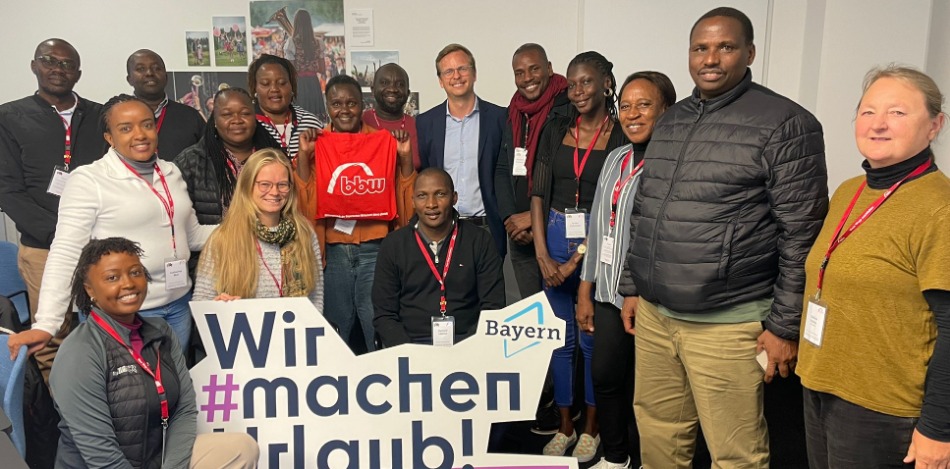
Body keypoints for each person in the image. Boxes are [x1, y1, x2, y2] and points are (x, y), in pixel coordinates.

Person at [618, 7, 828, 467]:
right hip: (656, 317)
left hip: (727, 325)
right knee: (658, 434)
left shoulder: (785, 123)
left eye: (725, 47)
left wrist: (784, 326)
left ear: (749, 52)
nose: (710, 58)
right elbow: (645, 209)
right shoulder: (671, 121)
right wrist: (633, 286)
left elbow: (802, 238)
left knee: (735, 455)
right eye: (700, 48)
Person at [796, 65, 950, 468]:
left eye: (897, 112)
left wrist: (938, 428)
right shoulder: (850, 191)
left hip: (885, 411)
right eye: (868, 111)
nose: (878, 124)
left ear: (935, 125)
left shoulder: (940, 208)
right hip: (822, 386)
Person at [9, 95, 216, 360]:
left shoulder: (171, 172)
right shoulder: (89, 180)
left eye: (147, 125)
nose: (140, 134)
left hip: (177, 305)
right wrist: (47, 323)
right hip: (123, 312)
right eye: (125, 128)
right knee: (129, 386)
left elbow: (193, 235)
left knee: (174, 379)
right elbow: (66, 252)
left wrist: (248, 228)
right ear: (110, 137)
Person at [49, 237, 259, 468]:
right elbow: (100, 452)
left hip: (156, 459)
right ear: (90, 289)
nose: (128, 283)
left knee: (240, 449)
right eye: (112, 278)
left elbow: (184, 409)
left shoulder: (161, 332)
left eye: (135, 272)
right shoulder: (79, 351)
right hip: (102, 466)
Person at [530, 51, 629, 460]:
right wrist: (541, 253)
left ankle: (592, 428)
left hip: (597, 239)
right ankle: (565, 426)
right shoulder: (556, 127)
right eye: (571, 84)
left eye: (586, 81)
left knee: (591, 339)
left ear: (606, 83)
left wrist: (576, 261)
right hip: (553, 234)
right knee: (559, 340)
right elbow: (538, 192)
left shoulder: (621, 136)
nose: (577, 91)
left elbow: (613, 208)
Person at [576, 72, 675, 469]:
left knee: (648, 390)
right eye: (626, 106)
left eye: (644, 105)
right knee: (605, 377)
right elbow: (599, 225)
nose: (632, 114)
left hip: (649, 298)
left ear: (665, 110)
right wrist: (585, 287)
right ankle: (617, 457)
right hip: (606, 291)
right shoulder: (615, 158)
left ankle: (648, 459)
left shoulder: (671, 164)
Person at [0, 38, 106, 380]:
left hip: (98, 245)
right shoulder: (8, 117)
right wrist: (62, 234)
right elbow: (7, 190)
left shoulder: (100, 115)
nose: (58, 69)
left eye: (67, 64)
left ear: (78, 73)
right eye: (49, 60)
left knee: (104, 330)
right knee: (51, 336)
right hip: (42, 248)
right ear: (34, 66)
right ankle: (60, 408)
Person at [295, 74, 415, 353]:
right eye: (336, 103)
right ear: (327, 106)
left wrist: (405, 157)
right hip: (334, 251)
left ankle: (384, 376)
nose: (344, 110)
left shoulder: (383, 142)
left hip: (376, 249)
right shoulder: (316, 143)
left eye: (351, 103)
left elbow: (405, 196)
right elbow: (303, 203)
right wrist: (303, 155)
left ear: (363, 105)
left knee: (378, 326)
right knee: (334, 331)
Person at [373, 168, 504, 346]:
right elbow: (384, 314)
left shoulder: (479, 240)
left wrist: (469, 348)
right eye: (422, 196)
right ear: (413, 201)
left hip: (467, 343)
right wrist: (409, 351)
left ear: (454, 198)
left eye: (440, 194)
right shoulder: (394, 244)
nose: (431, 204)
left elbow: (493, 307)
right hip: (412, 345)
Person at [194, 148, 323, 313]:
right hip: (243, 328)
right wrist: (219, 306)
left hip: (294, 327)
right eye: (265, 184)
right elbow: (202, 300)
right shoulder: (223, 238)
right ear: (248, 186)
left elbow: (315, 299)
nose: (275, 192)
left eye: (282, 184)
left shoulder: (304, 233)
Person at [174, 88, 283, 276]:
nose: (237, 120)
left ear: (255, 118)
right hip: (214, 270)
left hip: (270, 269)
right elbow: (180, 227)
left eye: (245, 113)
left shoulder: (276, 159)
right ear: (214, 120)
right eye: (227, 114)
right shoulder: (191, 162)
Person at [417, 44, 507, 258]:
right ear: (440, 80)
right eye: (448, 71)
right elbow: (425, 175)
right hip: (443, 229)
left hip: (488, 229)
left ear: (474, 74)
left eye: (462, 68)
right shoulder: (425, 123)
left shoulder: (500, 118)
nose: (456, 76)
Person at [495, 43, 571, 301]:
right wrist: (511, 219)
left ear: (549, 68)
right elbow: (503, 168)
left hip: (555, 233)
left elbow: (571, 176)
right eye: (519, 72)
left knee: (561, 312)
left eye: (534, 69)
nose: (527, 78)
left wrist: (533, 218)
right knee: (534, 312)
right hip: (520, 236)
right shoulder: (514, 110)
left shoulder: (568, 107)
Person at [126, 49, 205, 160]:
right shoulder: (116, 117)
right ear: (129, 79)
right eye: (141, 69)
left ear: (166, 77)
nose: (149, 73)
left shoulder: (190, 116)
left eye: (156, 68)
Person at [247, 54, 323, 161]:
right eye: (265, 84)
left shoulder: (311, 123)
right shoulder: (247, 124)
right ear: (255, 88)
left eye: (282, 83)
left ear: (292, 86)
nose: (274, 89)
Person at [362, 63, 421, 170]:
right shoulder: (360, 122)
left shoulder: (419, 125)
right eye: (385, 83)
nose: (392, 89)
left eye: (400, 84)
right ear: (372, 90)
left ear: (408, 93)